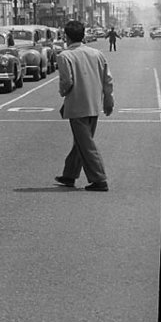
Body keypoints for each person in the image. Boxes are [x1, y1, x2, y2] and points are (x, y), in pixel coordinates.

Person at [54, 20, 115, 193]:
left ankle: (99, 179)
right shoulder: (97, 54)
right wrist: (108, 101)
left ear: (66, 37)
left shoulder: (65, 56)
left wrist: (63, 93)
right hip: (94, 103)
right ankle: (69, 174)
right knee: (81, 141)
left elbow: (67, 82)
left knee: (85, 143)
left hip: (76, 104)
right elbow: (107, 80)